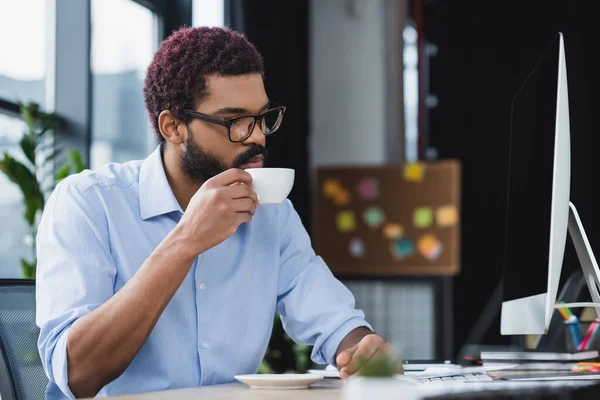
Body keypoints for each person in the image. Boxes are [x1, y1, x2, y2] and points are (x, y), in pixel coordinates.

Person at [36, 26, 400, 399]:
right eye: (235, 121)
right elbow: (78, 374)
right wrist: (185, 242)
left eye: (263, 117)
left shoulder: (272, 213)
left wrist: (360, 347)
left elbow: (333, 320)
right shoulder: (89, 202)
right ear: (173, 127)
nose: (257, 136)